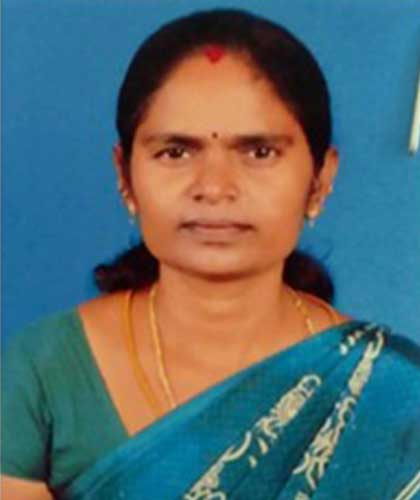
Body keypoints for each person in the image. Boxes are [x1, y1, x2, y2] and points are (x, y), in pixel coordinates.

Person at [2, 8, 420, 500]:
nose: (215, 187)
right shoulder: (43, 370)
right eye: (175, 152)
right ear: (125, 175)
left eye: (259, 152)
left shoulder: (392, 391)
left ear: (320, 179)